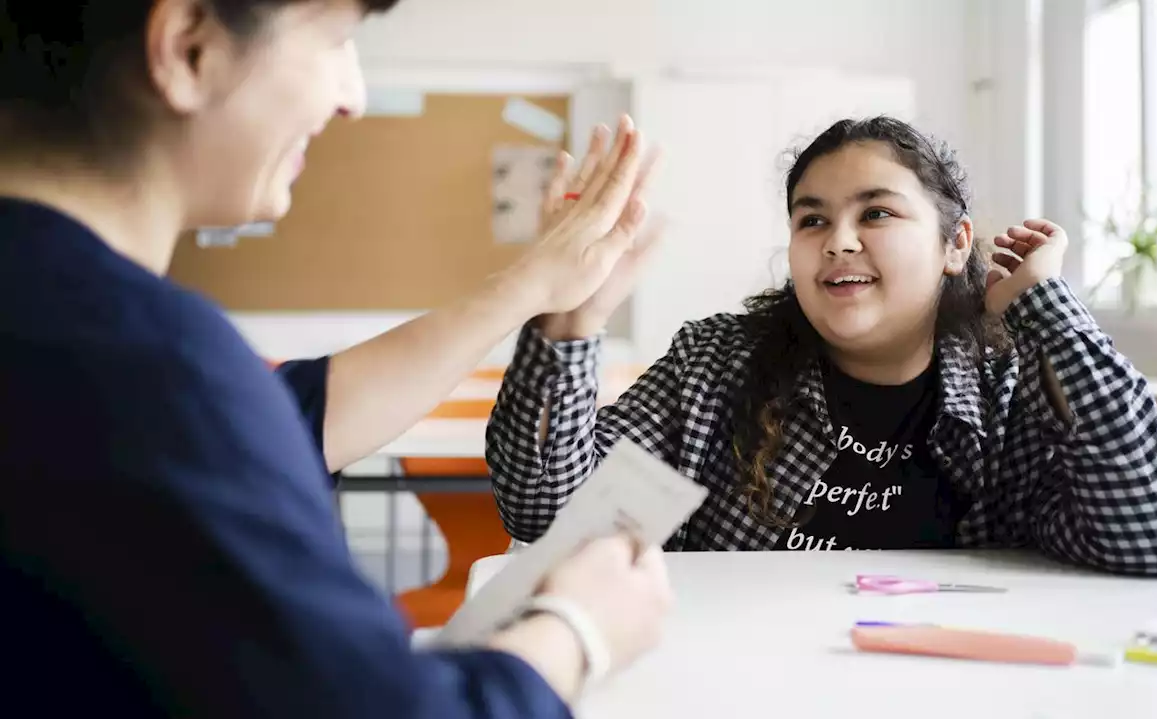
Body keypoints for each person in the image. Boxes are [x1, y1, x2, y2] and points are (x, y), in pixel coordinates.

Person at [0, 1, 673, 717]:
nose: (352, 96)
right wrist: (577, 629)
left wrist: (532, 285)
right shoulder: (146, 367)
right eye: (337, 40)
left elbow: (295, 416)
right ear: (189, 48)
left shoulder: (55, 320)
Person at [486, 116, 1157, 577]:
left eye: (876, 212)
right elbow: (545, 515)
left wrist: (1044, 308)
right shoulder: (716, 365)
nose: (838, 240)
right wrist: (570, 323)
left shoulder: (1013, 379)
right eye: (811, 220)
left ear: (954, 243)